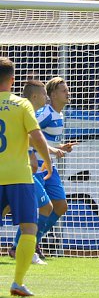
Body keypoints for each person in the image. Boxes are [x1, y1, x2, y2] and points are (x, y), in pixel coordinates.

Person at [0, 57, 53, 296]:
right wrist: (48, 161)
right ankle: (18, 282)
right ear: (12, 80)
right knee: (29, 227)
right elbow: (37, 136)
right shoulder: (21, 104)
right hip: (19, 176)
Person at [8, 80, 57, 265]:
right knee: (40, 209)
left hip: (17, 170)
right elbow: (32, 138)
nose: (47, 97)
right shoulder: (25, 110)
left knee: (43, 207)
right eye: (44, 94)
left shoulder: (18, 110)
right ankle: (25, 250)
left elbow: (28, 138)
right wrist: (37, 157)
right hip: (19, 171)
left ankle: (21, 248)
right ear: (35, 96)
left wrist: (54, 149)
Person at [33, 77, 79, 250]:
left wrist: (60, 147)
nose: (68, 93)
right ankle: (21, 245)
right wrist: (53, 150)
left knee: (60, 206)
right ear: (52, 95)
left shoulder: (59, 114)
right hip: (35, 166)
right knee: (40, 207)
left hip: (48, 165)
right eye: (64, 90)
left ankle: (34, 241)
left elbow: (45, 140)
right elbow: (30, 135)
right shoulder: (45, 113)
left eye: (68, 90)